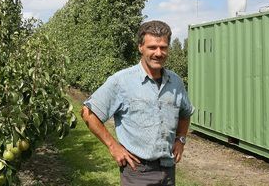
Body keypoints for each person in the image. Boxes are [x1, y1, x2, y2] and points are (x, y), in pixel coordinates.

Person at [81, 20, 194, 186]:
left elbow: (185, 112)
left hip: (168, 169)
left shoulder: (175, 82)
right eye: (152, 47)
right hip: (137, 172)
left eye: (163, 47)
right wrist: (113, 146)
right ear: (140, 47)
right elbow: (88, 113)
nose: (158, 52)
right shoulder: (121, 81)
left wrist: (181, 139)